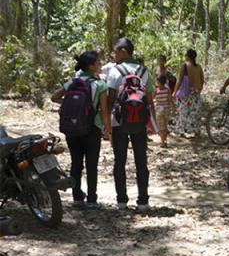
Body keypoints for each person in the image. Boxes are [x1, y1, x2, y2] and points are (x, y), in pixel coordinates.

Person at [51, 50, 111, 210]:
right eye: (98, 63)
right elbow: (104, 110)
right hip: (92, 127)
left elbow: (54, 97)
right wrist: (108, 129)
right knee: (91, 164)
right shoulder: (100, 84)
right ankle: (92, 200)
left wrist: (71, 105)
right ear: (91, 67)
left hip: (72, 128)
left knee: (76, 163)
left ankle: (77, 198)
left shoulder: (72, 82)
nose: (100, 65)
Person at [106, 37, 155, 212]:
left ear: (124, 51)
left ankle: (121, 201)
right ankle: (143, 201)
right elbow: (150, 99)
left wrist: (107, 125)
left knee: (120, 161)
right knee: (141, 161)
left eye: (116, 51)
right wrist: (151, 123)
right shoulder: (144, 71)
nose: (114, 55)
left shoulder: (115, 71)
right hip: (140, 122)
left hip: (119, 122)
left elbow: (110, 99)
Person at [172, 49, 204, 137]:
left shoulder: (185, 65)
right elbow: (202, 80)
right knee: (195, 113)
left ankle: (182, 131)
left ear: (187, 56)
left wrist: (175, 92)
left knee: (183, 112)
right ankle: (196, 131)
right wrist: (199, 89)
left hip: (186, 93)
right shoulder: (199, 67)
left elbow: (179, 80)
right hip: (196, 93)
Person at [154, 75, 173, 148]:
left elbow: (152, 98)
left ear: (159, 82)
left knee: (161, 127)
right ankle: (164, 141)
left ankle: (163, 142)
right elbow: (170, 99)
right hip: (166, 109)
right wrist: (173, 109)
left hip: (159, 110)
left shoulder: (156, 90)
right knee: (165, 126)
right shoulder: (167, 90)